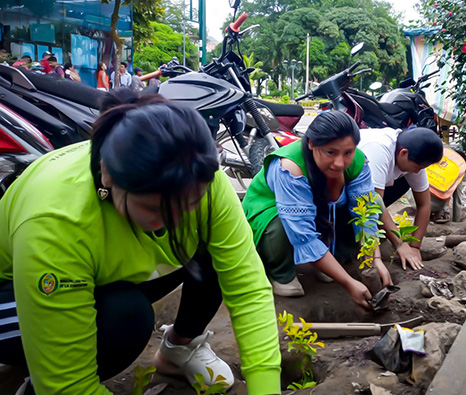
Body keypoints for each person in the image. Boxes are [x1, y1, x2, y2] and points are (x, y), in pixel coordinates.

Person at [0, 90, 281, 395]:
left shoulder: (200, 178)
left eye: (187, 205)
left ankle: (178, 349)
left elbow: (248, 288)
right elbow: (69, 388)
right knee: (126, 318)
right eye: (154, 208)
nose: (174, 221)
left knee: (215, 254)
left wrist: (266, 386)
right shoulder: (55, 221)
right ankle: (34, 377)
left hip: (103, 270)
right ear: (106, 173)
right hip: (14, 293)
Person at [242, 111, 391, 307]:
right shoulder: (289, 167)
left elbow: (365, 213)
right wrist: (348, 283)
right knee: (279, 224)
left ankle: (330, 260)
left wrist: (375, 259)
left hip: (315, 209)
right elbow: (303, 234)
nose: (340, 163)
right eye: (331, 152)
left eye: (347, 152)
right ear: (311, 143)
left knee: (368, 203)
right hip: (270, 214)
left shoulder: (358, 161)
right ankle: (280, 273)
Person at [357, 127, 443, 271]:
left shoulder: (412, 156)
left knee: (405, 183)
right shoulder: (379, 150)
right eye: (418, 167)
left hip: (370, 193)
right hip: (341, 188)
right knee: (365, 210)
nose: (418, 171)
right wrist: (400, 244)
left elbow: (424, 204)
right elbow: (373, 203)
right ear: (404, 153)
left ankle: (382, 230)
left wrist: (415, 246)